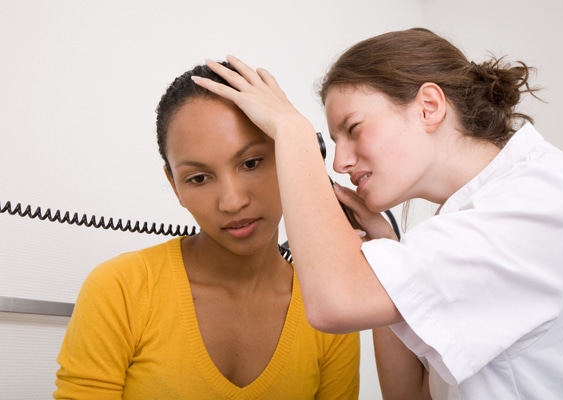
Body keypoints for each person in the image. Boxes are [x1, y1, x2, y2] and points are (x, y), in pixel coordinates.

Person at [192, 28, 563, 399]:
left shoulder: (539, 202)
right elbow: (409, 395)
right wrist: (384, 252)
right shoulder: (468, 219)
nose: (340, 162)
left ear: (428, 106)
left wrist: (292, 132)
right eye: (333, 141)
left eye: (353, 128)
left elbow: (334, 304)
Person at [53, 62, 360, 399]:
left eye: (251, 163)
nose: (232, 202)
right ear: (174, 185)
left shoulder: (329, 309)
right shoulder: (120, 290)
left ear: (293, 155)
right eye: (198, 178)